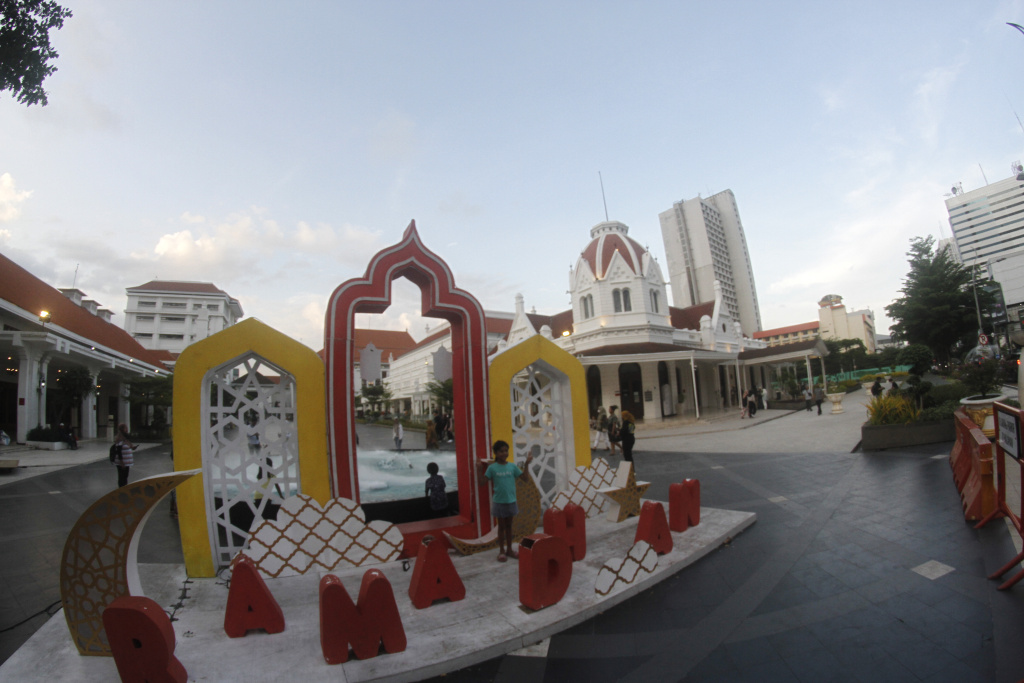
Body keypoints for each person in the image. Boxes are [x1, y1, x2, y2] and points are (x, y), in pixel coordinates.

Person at [481, 440, 533, 562]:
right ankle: (501, 551)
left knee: (509, 526)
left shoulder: (512, 466)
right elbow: (482, 482)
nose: (504, 453)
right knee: (501, 527)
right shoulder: (492, 468)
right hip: (499, 502)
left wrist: (527, 464)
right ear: (496, 453)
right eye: (501, 451)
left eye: (506, 451)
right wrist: (479, 469)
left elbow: (525, 478)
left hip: (511, 501)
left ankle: (509, 549)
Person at [112, 423, 135, 488]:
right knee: (122, 476)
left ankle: (124, 488)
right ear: (122, 429)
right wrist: (121, 462)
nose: (127, 429)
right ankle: (121, 489)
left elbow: (128, 445)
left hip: (126, 461)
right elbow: (119, 450)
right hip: (122, 461)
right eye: (126, 428)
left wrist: (132, 447)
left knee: (125, 476)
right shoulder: (120, 438)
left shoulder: (125, 437)